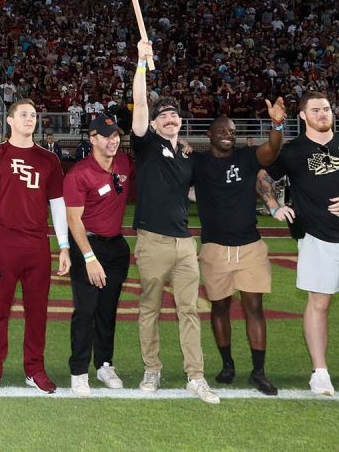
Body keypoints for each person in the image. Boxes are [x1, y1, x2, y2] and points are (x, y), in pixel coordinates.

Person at [257, 91, 339, 397]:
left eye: (327, 109)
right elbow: (262, 175)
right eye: (315, 110)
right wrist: (274, 205)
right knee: (319, 303)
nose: (322, 113)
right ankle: (320, 372)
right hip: (316, 237)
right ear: (302, 115)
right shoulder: (293, 150)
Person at [130, 40, 219, 404]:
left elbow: (197, 195)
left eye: (174, 115)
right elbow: (138, 104)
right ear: (154, 123)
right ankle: (152, 368)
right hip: (152, 241)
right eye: (163, 115)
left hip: (184, 244)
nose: (170, 118)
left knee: (190, 311)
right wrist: (140, 63)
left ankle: (194, 376)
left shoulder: (187, 156)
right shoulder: (147, 144)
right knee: (149, 309)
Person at [0, 99, 70, 395]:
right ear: (10, 121)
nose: (30, 119)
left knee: (38, 311)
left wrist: (64, 246)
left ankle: (35, 369)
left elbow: (58, 205)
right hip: (4, 244)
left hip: (38, 245)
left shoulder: (49, 160)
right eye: (24, 115)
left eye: (34, 115)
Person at [189, 100, 286, 396]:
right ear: (209, 133)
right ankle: (227, 364)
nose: (226, 134)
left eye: (231, 130)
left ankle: (259, 371)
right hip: (215, 248)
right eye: (220, 130)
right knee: (219, 307)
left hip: (249, 245)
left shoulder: (246, 157)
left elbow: (272, 150)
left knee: (254, 307)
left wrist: (277, 125)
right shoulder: (198, 162)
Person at [62, 114, 132, 396]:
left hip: (116, 246)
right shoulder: (79, 173)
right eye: (106, 135)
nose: (113, 140)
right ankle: (79, 371)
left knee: (107, 311)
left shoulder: (124, 163)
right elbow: (74, 221)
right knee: (86, 311)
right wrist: (90, 258)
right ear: (92, 138)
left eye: (115, 134)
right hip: (87, 247)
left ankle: (104, 363)